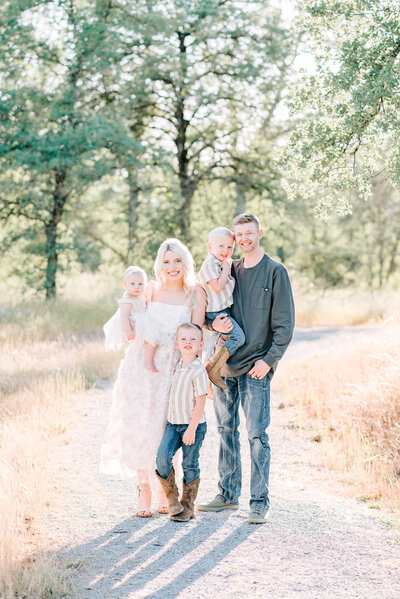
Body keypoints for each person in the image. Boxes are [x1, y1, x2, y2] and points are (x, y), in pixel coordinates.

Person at [198, 214, 295, 524]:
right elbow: (211, 309)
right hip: (226, 366)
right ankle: (227, 495)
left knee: (256, 435)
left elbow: (284, 325)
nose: (243, 239)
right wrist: (213, 323)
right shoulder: (230, 269)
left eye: (248, 233)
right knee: (226, 431)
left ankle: (259, 502)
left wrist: (269, 360)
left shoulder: (275, 272)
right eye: (238, 234)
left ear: (259, 233)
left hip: (256, 367)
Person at [100, 239, 206, 517]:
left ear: (186, 262)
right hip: (141, 367)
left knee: (165, 428)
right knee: (140, 423)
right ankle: (144, 488)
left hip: (173, 370)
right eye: (167, 262)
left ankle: (163, 486)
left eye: (178, 261)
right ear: (160, 265)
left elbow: (196, 335)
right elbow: (129, 320)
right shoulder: (147, 290)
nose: (172, 267)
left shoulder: (194, 293)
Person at [155, 323, 208, 522]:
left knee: (190, 463)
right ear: (177, 344)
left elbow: (201, 401)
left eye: (193, 339)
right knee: (162, 457)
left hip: (192, 425)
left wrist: (191, 429)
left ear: (200, 344)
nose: (188, 343)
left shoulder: (198, 370)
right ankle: (172, 500)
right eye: (184, 339)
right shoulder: (177, 365)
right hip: (173, 424)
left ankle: (188, 506)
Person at [199, 227, 245, 389]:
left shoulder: (221, 262)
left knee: (214, 343)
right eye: (221, 246)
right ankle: (213, 367)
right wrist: (226, 268)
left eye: (229, 247)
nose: (225, 250)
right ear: (210, 246)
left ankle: (208, 370)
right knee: (238, 337)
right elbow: (218, 287)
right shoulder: (209, 265)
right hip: (216, 311)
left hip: (225, 309)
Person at [102, 265, 159, 373]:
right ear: (125, 284)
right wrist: (127, 330)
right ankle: (148, 362)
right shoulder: (127, 300)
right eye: (132, 284)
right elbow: (124, 316)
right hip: (137, 324)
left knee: (152, 341)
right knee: (151, 340)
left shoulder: (139, 295)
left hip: (145, 322)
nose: (136, 287)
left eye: (140, 284)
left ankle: (146, 360)